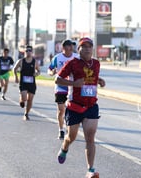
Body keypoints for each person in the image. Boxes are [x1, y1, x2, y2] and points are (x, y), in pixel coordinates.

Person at [55, 37, 105, 178]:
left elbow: (92, 78)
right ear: (79, 50)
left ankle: (90, 170)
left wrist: (99, 80)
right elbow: (57, 79)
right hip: (74, 106)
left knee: (90, 138)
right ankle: (65, 148)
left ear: (92, 49)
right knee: (71, 137)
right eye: (84, 46)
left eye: (90, 46)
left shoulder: (96, 63)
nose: (87, 48)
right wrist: (73, 84)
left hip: (91, 106)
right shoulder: (72, 63)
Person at [47, 39, 78, 140]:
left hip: (72, 88)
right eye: (69, 47)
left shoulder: (76, 57)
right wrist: (52, 73)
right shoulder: (57, 58)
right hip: (60, 87)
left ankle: (69, 128)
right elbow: (50, 69)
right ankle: (61, 129)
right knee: (61, 110)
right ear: (64, 48)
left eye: (72, 47)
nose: (71, 49)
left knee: (71, 110)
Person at [13, 45, 40, 121]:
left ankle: (26, 113)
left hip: (32, 83)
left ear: (32, 52)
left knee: (30, 100)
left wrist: (36, 74)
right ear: (24, 52)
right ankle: (21, 100)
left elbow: (39, 71)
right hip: (23, 83)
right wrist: (16, 77)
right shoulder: (21, 61)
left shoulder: (35, 62)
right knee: (24, 99)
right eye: (26, 51)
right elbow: (14, 69)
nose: (28, 52)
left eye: (29, 51)